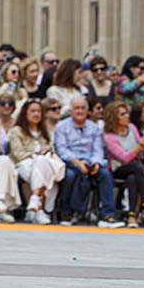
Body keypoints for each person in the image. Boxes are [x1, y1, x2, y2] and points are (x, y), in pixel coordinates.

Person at [54, 96, 124, 227]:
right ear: (71, 110)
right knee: (70, 175)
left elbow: (98, 149)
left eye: (83, 108)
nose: (80, 111)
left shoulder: (94, 128)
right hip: (70, 162)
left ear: (88, 111)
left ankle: (107, 215)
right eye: (77, 108)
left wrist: (96, 163)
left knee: (105, 175)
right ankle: (66, 212)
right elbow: (62, 150)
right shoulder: (61, 126)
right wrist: (78, 163)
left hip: (90, 162)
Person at [0, 99, 62, 225]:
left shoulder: (45, 131)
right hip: (23, 164)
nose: (36, 114)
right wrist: (36, 154)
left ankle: (35, 203)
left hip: (43, 165)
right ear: (25, 113)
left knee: (42, 163)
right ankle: (39, 209)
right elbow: (18, 154)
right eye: (33, 111)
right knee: (41, 165)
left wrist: (46, 151)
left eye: (38, 111)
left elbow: (52, 149)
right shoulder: (17, 130)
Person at [101, 101, 144, 227]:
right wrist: (142, 142)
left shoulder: (132, 128)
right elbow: (124, 158)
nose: (127, 116)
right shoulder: (109, 137)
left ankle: (131, 216)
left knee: (133, 177)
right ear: (114, 118)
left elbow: (142, 151)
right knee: (136, 168)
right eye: (122, 114)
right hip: (117, 167)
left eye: (127, 113)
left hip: (134, 167)